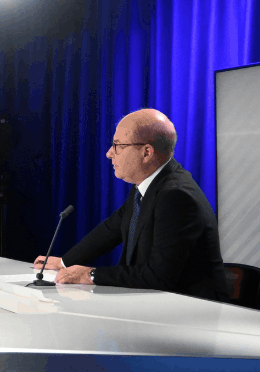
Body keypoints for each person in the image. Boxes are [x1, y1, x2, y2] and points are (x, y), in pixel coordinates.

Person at [36, 108, 230, 301]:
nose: (109, 153)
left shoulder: (176, 196)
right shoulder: (149, 184)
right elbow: (111, 229)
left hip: (191, 313)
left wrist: (91, 274)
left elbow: (159, 277)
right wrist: (64, 262)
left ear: (146, 152)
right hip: (158, 305)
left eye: (118, 145)